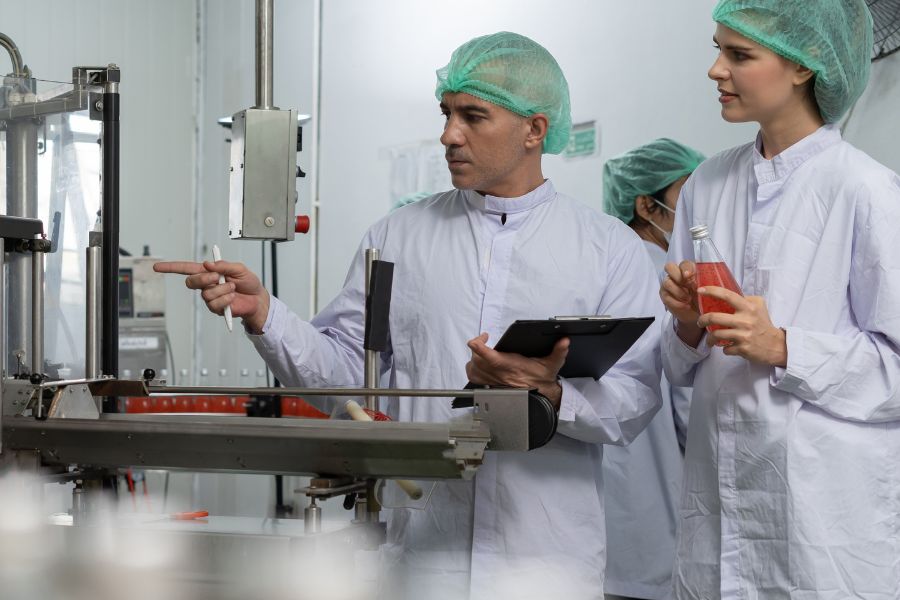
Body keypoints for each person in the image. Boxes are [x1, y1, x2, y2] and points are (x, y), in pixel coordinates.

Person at [156, 32, 662, 600]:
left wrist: (553, 395)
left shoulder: (607, 248)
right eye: (446, 114)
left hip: (546, 560)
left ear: (534, 129)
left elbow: (636, 400)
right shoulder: (398, 236)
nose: (449, 135)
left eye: (474, 116)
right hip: (424, 553)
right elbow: (347, 380)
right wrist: (266, 313)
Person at [658, 1, 900, 597]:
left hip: (823, 521)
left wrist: (784, 347)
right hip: (716, 506)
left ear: (804, 67)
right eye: (717, 49)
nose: (717, 70)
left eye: (739, 55)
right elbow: (676, 369)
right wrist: (688, 325)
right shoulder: (709, 183)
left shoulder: (864, 189)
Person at [601, 139, 705, 600]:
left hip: (611, 498)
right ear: (646, 205)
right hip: (661, 498)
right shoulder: (665, 278)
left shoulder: (603, 262)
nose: (699, 205)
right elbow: (690, 399)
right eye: (687, 192)